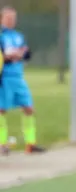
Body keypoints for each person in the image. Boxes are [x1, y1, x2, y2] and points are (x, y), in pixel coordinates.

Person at [0, 6, 44, 155]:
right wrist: (8, 57)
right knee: (1, 110)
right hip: (4, 77)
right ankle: (2, 144)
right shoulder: (1, 36)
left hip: (18, 77)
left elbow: (27, 54)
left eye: (14, 18)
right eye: (8, 18)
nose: (12, 21)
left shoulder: (19, 36)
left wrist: (22, 54)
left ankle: (30, 144)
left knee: (28, 108)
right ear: (2, 19)